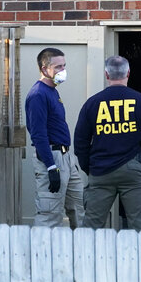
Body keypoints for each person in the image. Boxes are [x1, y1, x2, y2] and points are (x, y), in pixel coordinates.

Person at [73, 55, 141, 230]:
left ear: (106, 75)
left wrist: (89, 168)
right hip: (134, 169)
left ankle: (87, 258)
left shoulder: (92, 103)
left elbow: (80, 142)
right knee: (139, 228)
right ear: (128, 73)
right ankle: (140, 258)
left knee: (91, 227)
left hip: (100, 170)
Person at [25, 47, 85, 227]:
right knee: (49, 213)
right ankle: (40, 254)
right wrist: (51, 166)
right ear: (44, 69)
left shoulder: (53, 91)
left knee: (78, 208)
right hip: (52, 157)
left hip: (67, 157)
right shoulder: (38, 94)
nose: (63, 70)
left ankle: (83, 253)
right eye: (58, 67)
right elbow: (38, 134)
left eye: (64, 66)